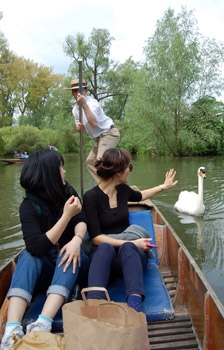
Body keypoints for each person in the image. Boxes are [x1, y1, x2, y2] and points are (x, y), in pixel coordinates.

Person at [1, 150, 89, 350]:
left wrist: (76, 239)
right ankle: (12, 329)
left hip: (70, 265)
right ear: (49, 174)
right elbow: (37, 247)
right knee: (29, 256)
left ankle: (43, 322)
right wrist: (66, 216)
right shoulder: (28, 206)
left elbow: (81, 220)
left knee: (72, 253)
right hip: (46, 266)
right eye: (60, 168)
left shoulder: (68, 192)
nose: (65, 172)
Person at [82, 148, 178, 313]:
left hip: (129, 257)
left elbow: (141, 196)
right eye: (129, 167)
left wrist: (164, 186)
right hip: (105, 260)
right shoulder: (91, 197)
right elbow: (96, 238)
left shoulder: (123, 190)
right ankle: (94, 303)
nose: (130, 171)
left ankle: (135, 306)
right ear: (119, 172)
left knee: (128, 248)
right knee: (106, 247)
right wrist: (133, 242)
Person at [68, 79, 120, 183]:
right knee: (90, 162)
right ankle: (106, 186)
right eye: (75, 91)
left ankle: (111, 188)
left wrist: (84, 105)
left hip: (109, 133)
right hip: (99, 138)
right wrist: (79, 128)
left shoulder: (92, 103)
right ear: (72, 93)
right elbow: (80, 126)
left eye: (80, 90)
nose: (77, 93)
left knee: (101, 163)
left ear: (86, 91)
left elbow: (94, 123)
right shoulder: (75, 109)